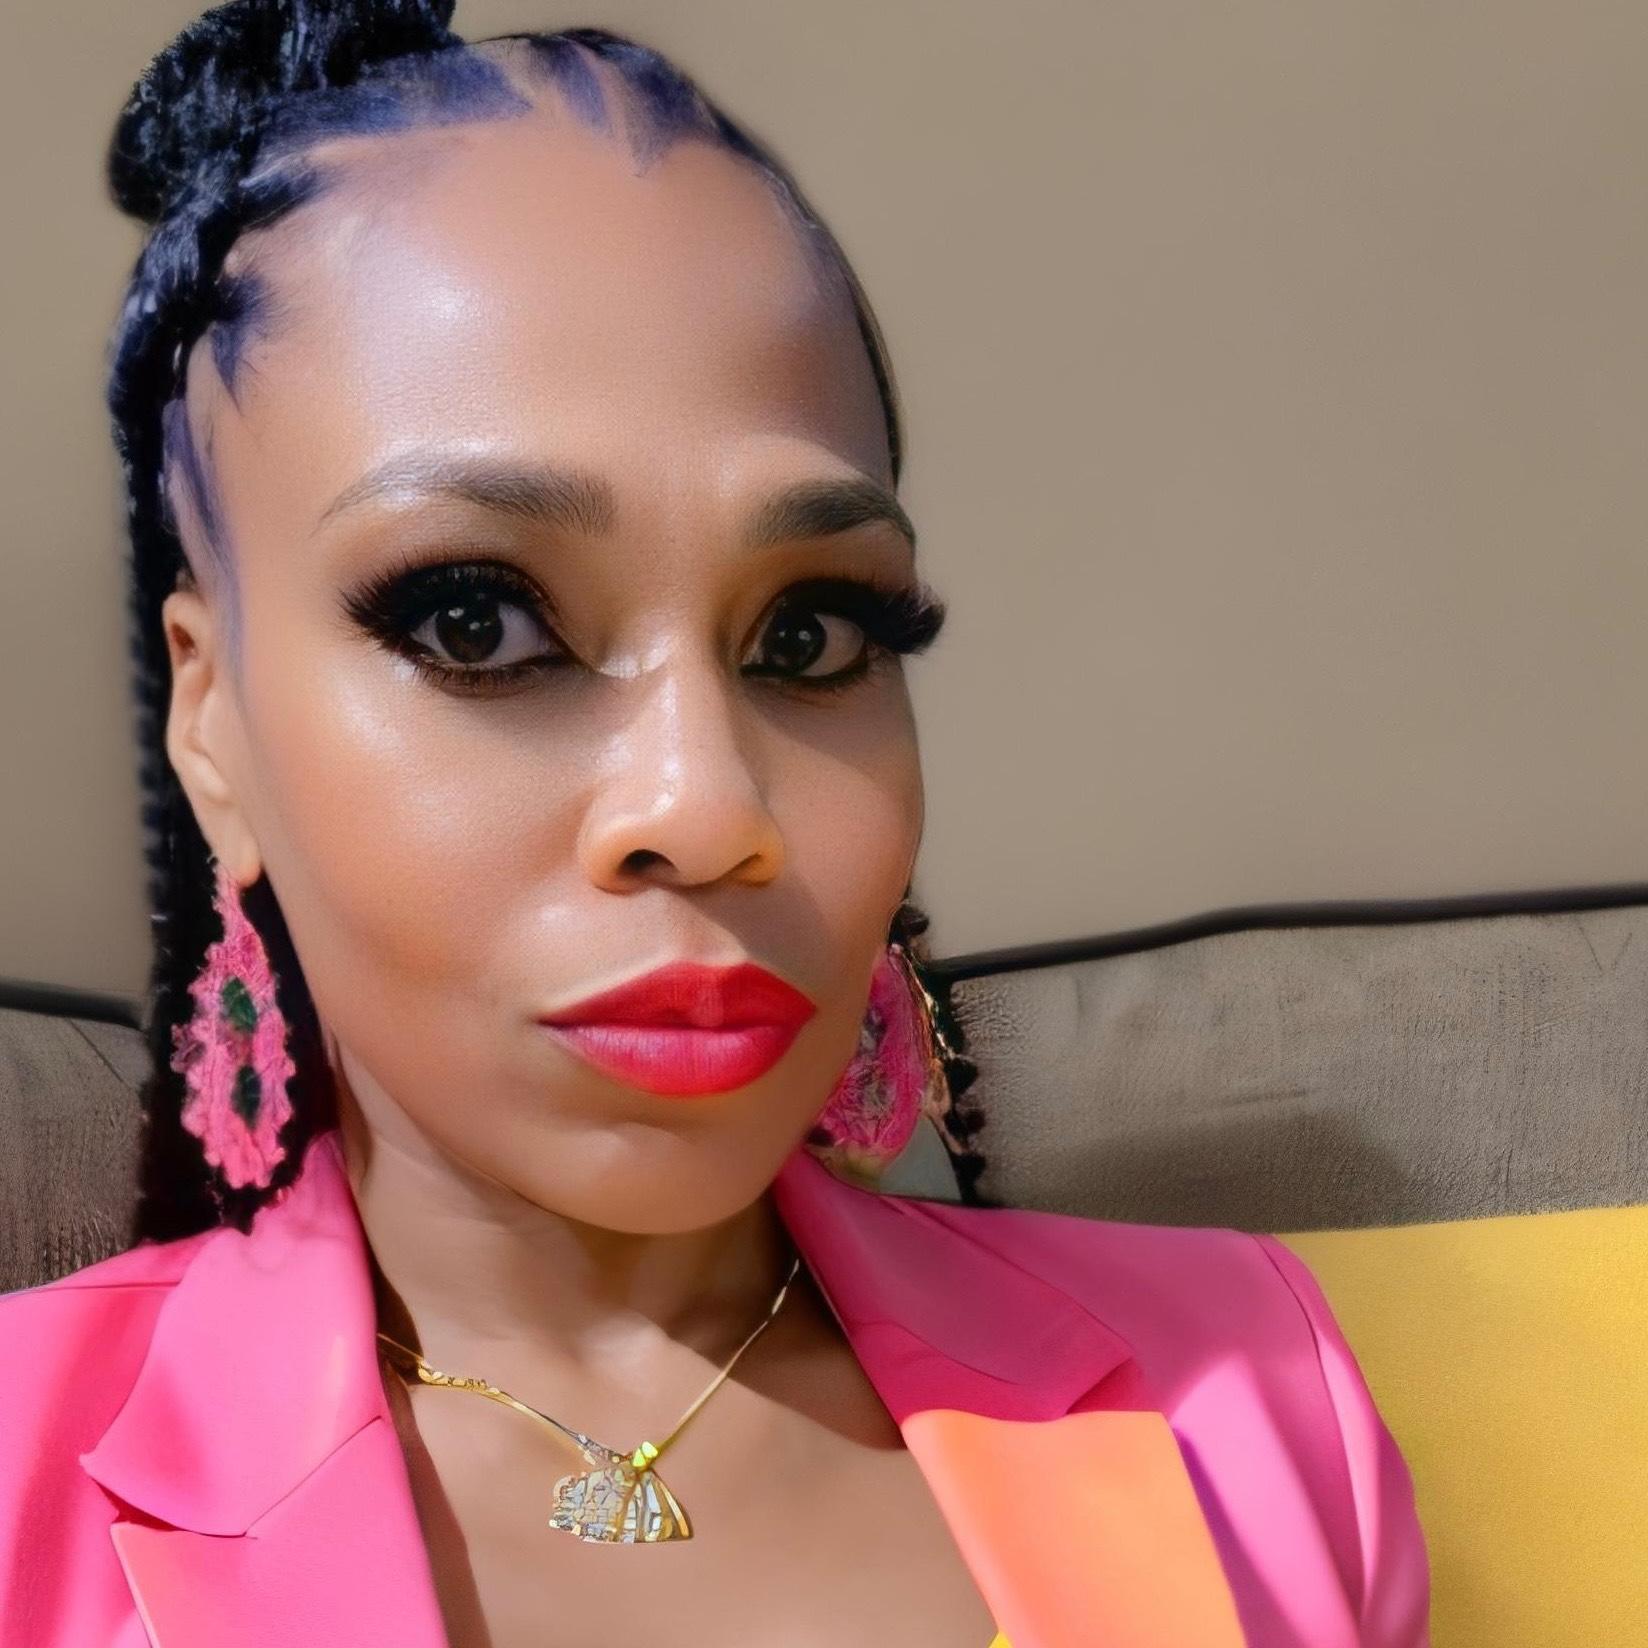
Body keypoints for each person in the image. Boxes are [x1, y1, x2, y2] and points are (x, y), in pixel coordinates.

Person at [0, 4, 1430, 1644]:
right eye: (476, 622)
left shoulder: (1256, 1400)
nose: (708, 806)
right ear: (213, 724)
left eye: (811, 635)